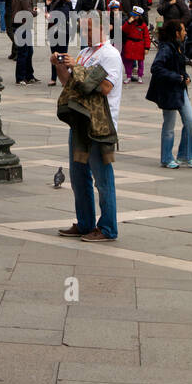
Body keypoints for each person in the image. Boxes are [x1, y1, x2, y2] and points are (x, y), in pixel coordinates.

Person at [53, 15, 122, 241]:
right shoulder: (84, 54)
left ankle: (108, 228)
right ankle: (85, 223)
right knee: (78, 176)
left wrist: (78, 69)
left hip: (100, 124)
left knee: (102, 179)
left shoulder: (110, 54)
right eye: (82, 29)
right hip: (80, 121)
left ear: (104, 28)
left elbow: (105, 87)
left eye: (89, 28)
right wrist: (60, 67)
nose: (85, 33)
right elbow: (69, 84)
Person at [146, 18, 192, 168]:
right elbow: (156, 68)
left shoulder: (178, 46)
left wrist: (185, 77)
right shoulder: (166, 49)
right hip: (168, 91)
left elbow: (180, 67)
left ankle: (185, 155)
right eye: (183, 30)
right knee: (169, 125)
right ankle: (166, 158)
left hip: (180, 89)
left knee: (190, 121)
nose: (185, 32)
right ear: (177, 33)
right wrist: (177, 77)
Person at [10, 0, 38, 84]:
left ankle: (29, 75)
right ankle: (21, 77)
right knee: (24, 52)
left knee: (28, 51)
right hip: (22, 26)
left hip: (19, 25)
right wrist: (36, 12)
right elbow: (27, 12)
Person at [45, 0, 70, 85]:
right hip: (53, 32)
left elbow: (63, 16)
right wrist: (48, 5)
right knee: (54, 55)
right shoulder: (53, 2)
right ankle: (54, 78)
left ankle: (65, 77)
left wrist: (50, 17)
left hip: (62, 32)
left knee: (62, 55)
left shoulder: (65, 3)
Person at [121, 4, 150, 85]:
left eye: (135, 15)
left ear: (139, 16)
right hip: (130, 44)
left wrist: (147, 47)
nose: (133, 17)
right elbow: (123, 30)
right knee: (128, 62)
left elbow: (147, 37)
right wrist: (128, 22)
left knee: (140, 62)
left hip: (139, 45)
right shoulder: (130, 22)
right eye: (133, 15)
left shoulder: (143, 25)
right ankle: (128, 76)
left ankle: (140, 76)